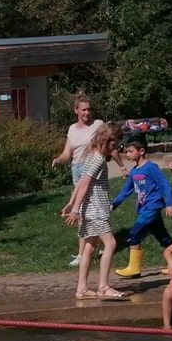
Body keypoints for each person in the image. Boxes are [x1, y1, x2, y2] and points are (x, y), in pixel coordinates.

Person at [62, 122, 127, 300]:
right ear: (106, 140)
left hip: (88, 209)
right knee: (111, 244)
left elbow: (81, 180)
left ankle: (81, 289)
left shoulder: (91, 155)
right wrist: (74, 209)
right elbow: (84, 183)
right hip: (95, 210)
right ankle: (103, 286)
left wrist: (71, 202)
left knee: (89, 247)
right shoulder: (97, 159)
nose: (114, 149)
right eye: (113, 145)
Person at [111, 132, 172, 278]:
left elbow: (165, 184)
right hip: (143, 209)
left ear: (141, 151)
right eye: (126, 151)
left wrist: (169, 204)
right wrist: (114, 204)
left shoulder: (151, 167)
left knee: (134, 233)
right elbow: (125, 191)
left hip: (152, 207)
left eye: (130, 151)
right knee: (162, 236)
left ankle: (134, 267)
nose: (127, 154)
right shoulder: (134, 172)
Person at [53, 95, 107, 268]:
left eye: (89, 109)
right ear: (76, 110)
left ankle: (84, 252)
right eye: (83, 109)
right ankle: (91, 245)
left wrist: (121, 165)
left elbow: (107, 144)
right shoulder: (72, 129)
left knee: (88, 209)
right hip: (77, 169)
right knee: (84, 211)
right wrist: (59, 159)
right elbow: (67, 153)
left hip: (92, 168)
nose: (87, 112)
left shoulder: (98, 125)